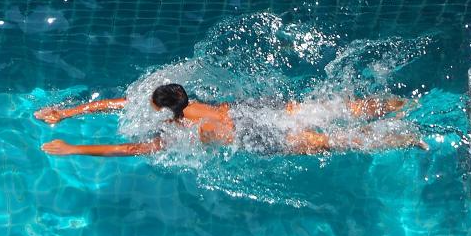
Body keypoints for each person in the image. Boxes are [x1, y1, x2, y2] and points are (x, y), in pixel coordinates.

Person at [36, 82, 427, 157]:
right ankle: (402, 104)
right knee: (340, 108)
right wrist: (69, 112)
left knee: (331, 142)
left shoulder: (179, 133)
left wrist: (74, 147)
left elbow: (127, 148)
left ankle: (407, 138)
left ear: (161, 109)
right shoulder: (196, 105)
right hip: (251, 113)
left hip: (255, 139)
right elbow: (122, 102)